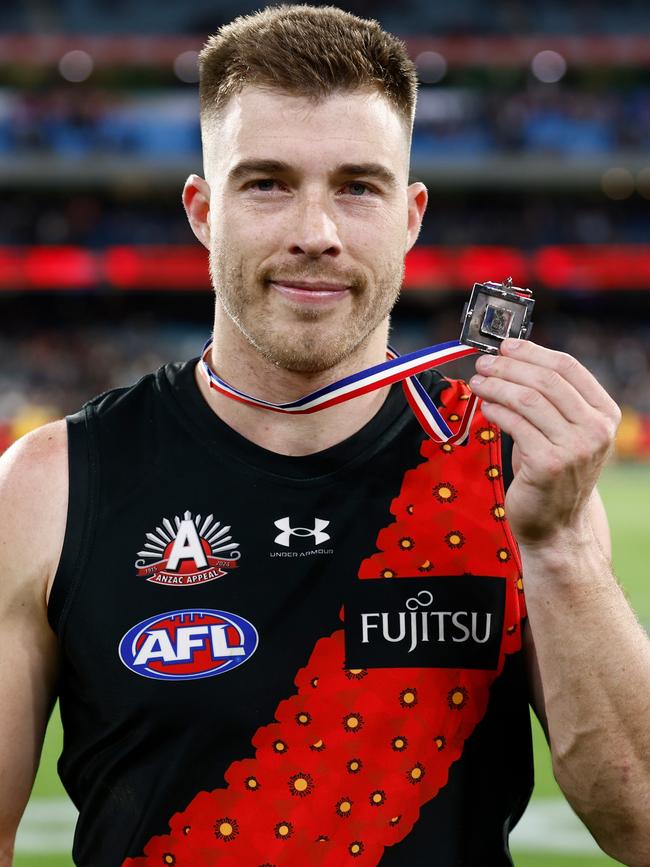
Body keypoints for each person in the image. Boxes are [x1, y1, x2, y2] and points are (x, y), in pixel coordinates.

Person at [1, 5, 649, 866]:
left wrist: (562, 545)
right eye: (267, 182)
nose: (317, 232)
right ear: (202, 209)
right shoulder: (52, 484)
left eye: (358, 185)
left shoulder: (508, 472)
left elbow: (640, 824)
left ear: (411, 216)